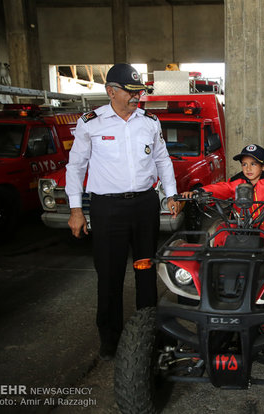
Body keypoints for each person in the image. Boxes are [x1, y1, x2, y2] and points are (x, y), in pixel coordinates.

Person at [65, 63, 182, 360]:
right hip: (107, 209)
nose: (137, 97)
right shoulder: (91, 123)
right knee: (109, 275)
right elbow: (75, 167)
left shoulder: (149, 122)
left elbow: (163, 160)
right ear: (111, 92)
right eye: (131, 92)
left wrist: (171, 194)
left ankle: (149, 333)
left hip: (144, 206)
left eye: (139, 91)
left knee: (145, 273)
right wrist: (76, 209)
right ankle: (110, 339)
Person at [182, 144, 264, 243]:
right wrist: (198, 192)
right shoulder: (236, 182)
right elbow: (220, 188)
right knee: (216, 239)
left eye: (253, 164)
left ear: (263, 166)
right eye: (244, 164)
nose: (248, 168)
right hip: (238, 223)